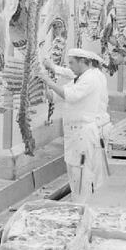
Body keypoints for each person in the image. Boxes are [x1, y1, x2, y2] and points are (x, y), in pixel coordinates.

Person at [39, 47, 110, 201]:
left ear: (83, 62)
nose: (69, 67)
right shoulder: (80, 78)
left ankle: (83, 209)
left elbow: (71, 95)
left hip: (82, 134)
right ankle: (81, 206)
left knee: (82, 176)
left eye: (71, 63)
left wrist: (49, 81)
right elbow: (59, 93)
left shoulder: (91, 78)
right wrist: (45, 87)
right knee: (76, 174)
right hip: (75, 135)